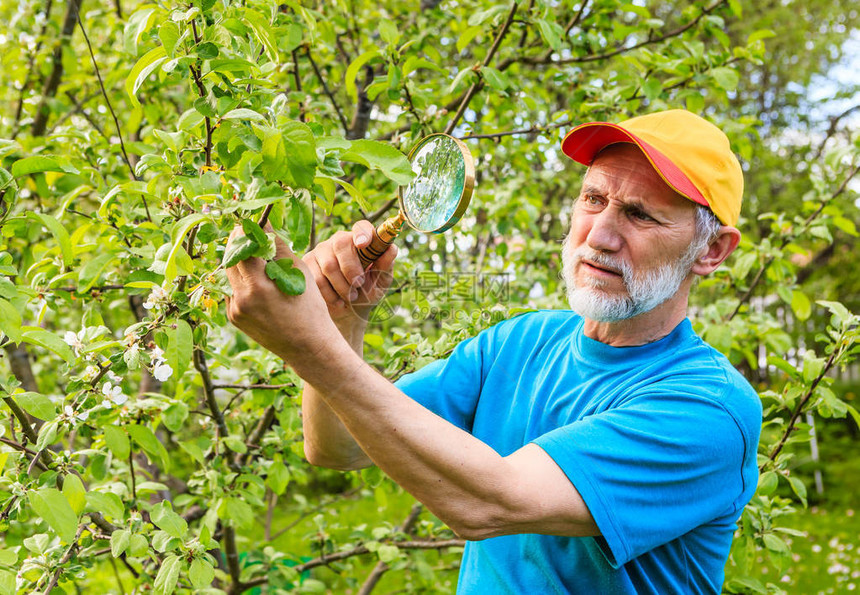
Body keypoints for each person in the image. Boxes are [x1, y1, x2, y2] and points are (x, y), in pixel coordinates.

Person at [225, 109, 762, 594]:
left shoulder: (711, 410)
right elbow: (338, 448)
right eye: (594, 199)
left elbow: (490, 504)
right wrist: (344, 324)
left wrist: (311, 346)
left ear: (711, 250)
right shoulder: (522, 341)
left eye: (640, 215)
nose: (599, 235)